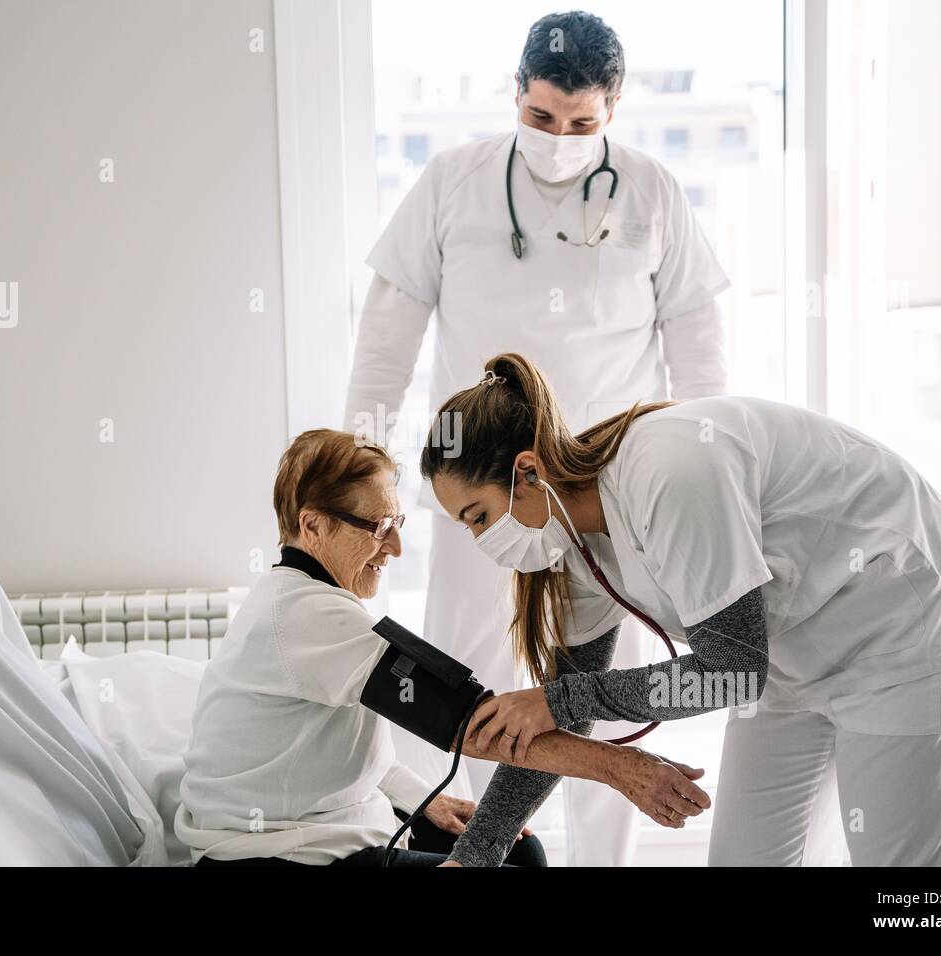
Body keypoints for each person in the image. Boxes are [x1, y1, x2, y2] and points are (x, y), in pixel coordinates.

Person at [344, 10, 730, 865]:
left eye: (583, 124)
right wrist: (358, 477)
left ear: (615, 108)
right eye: (542, 118)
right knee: (462, 666)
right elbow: (384, 345)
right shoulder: (451, 182)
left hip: (607, 494)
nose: (560, 138)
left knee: (598, 688)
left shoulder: (654, 192)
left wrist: (708, 484)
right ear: (516, 91)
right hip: (479, 486)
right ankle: (488, 850)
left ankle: (604, 860)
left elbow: (700, 357)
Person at [422, 353, 941, 867]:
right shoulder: (572, 542)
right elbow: (558, 716)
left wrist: (557, 700)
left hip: (903, 628)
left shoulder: (667, 470)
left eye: (478, 516)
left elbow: (730, 668)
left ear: (526, 471)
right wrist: (477, 854)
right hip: (791, 662)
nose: (482, 541)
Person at [175, 428, 709, 866]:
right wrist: (621, 768)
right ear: (312, 526)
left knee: (520, 854)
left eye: (398, 523)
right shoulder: (303, 615)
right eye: (379, 527)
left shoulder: (308, 601)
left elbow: (326, 757)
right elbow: (467, 723)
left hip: (320, 830)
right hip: (267, 857)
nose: (397, 547)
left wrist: (421, 801)